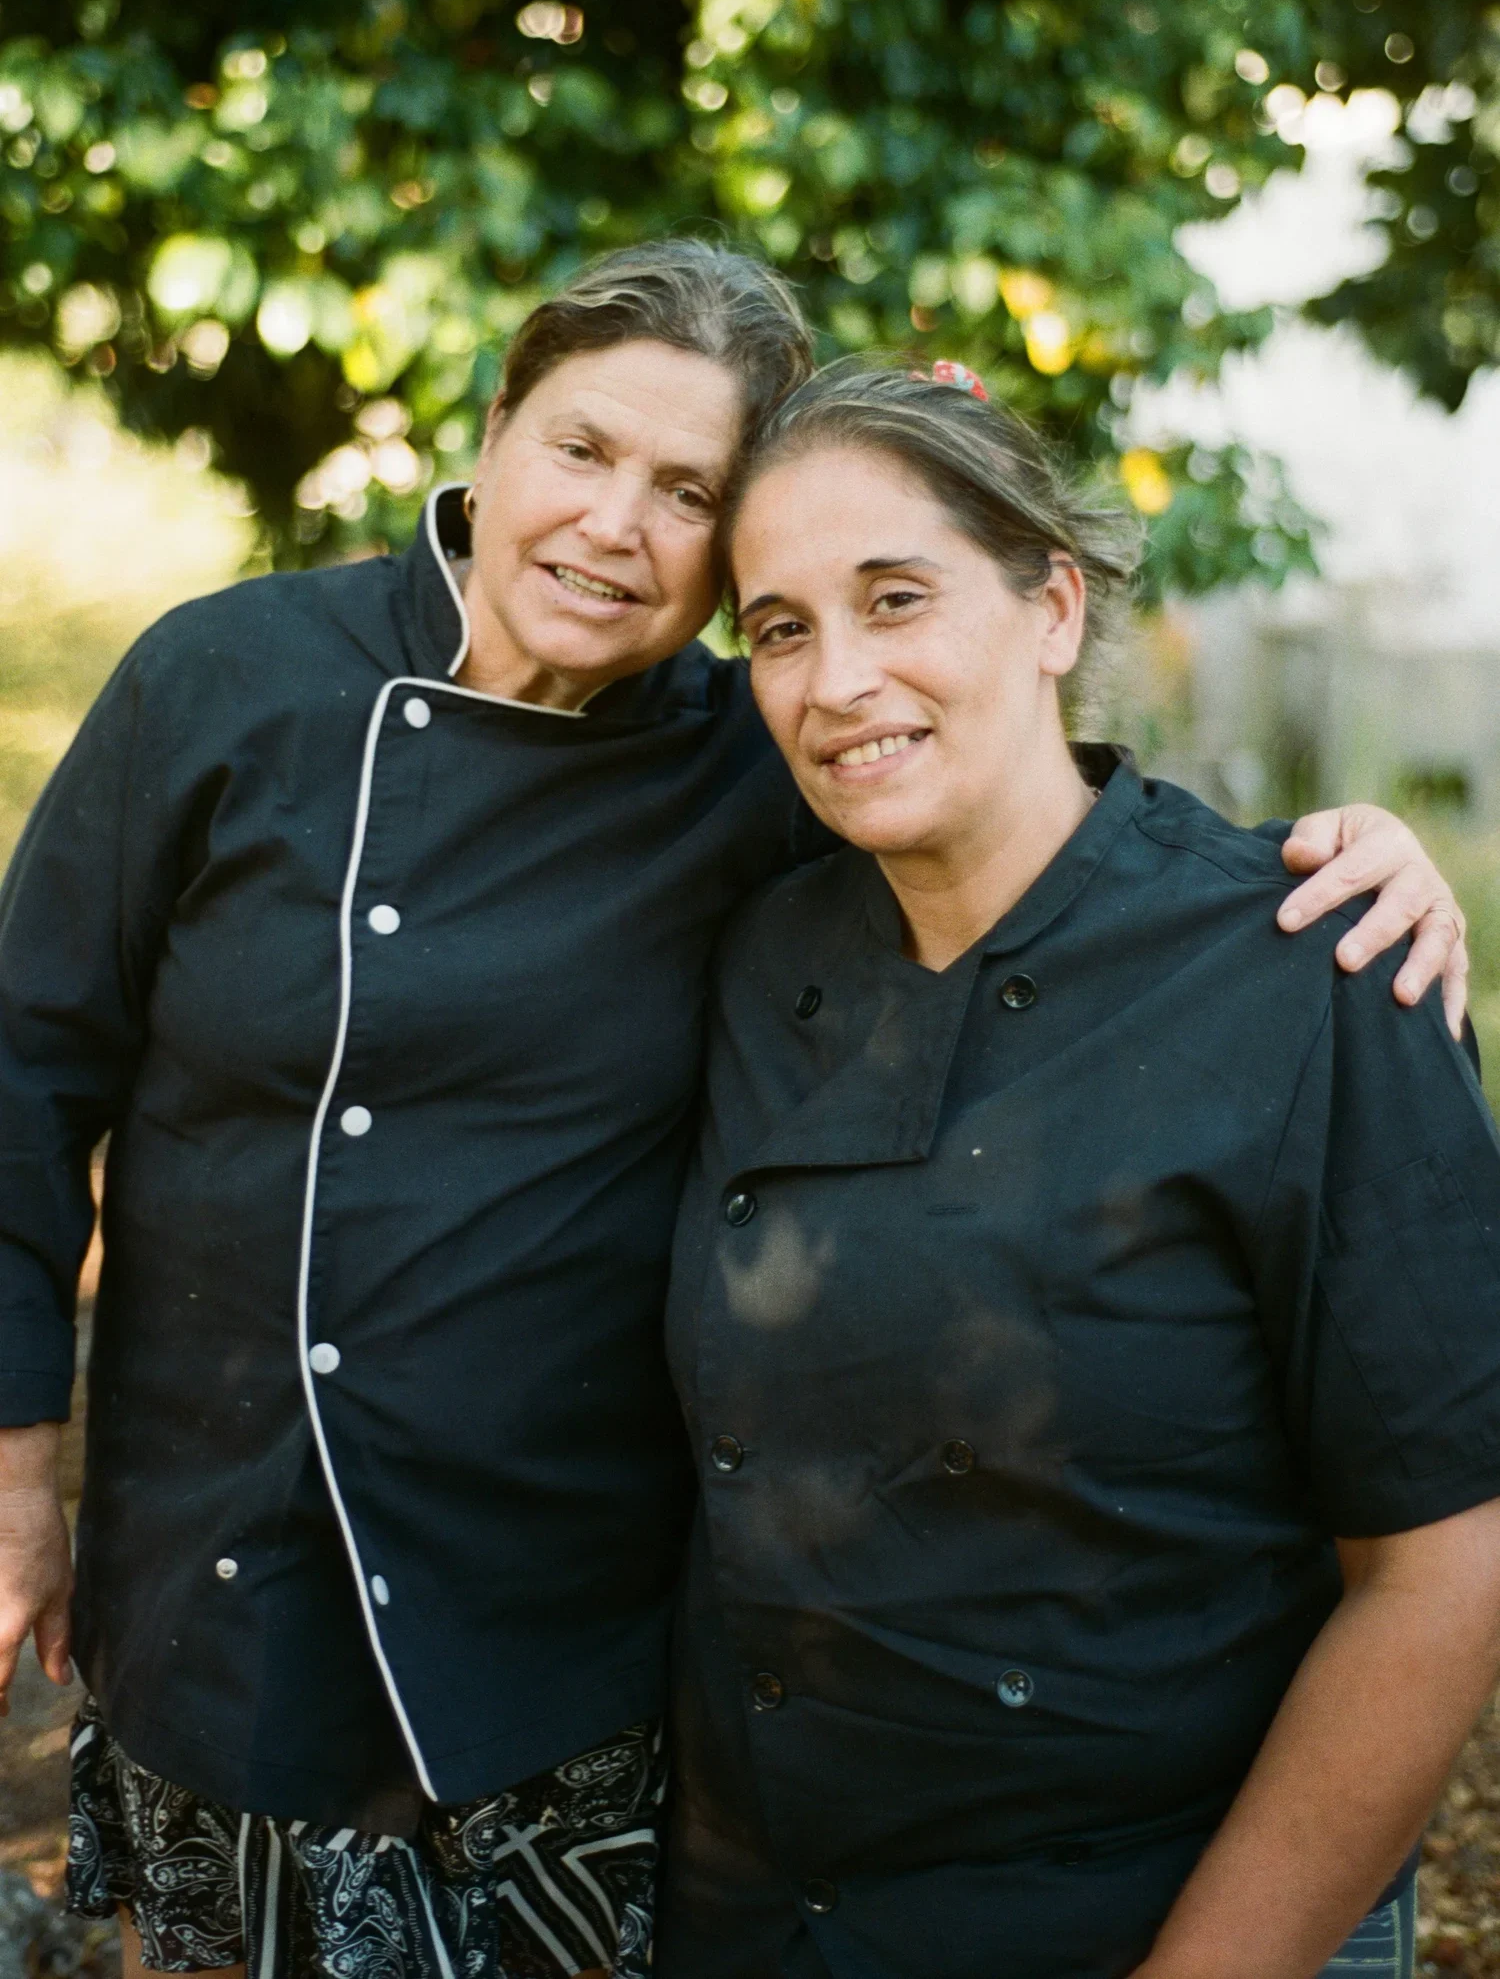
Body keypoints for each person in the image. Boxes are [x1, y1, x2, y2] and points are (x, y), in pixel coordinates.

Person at [0, 248, 1466, 1979]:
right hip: (246, 1576)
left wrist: (1329, 858)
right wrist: (19, 1458)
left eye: (688, 491)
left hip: (565, 1643)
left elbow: (1034, 822)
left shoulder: (751, 755)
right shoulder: (231, 682)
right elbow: (27, 1060)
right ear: (491, 435)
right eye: (582, 450)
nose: (618, 525)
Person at [658, 359, 1500, 1979]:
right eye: (778, 626)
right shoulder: (750, 952)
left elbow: (1444, 1572)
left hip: (1153, 1919)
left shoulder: (1311, 971)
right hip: (761, 1920)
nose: (837, 678)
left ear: (1053, 607)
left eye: (895, 597)